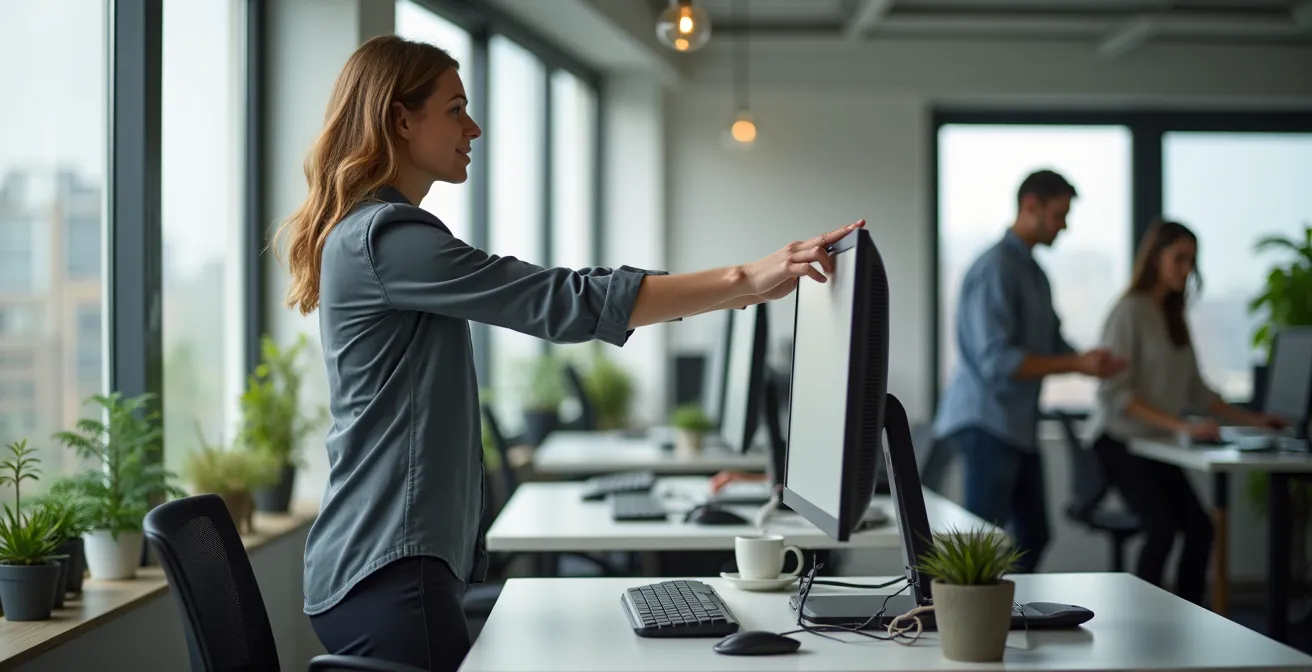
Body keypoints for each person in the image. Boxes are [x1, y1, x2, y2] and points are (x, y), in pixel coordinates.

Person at [273, 35, 864, 672]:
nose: (473, 127)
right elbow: (563, 302)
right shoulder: (386, 239)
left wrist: (740, 287)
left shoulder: (371, 236)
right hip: (389, 577)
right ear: (400, 117)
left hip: (383, 568)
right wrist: (746, 279)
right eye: (454, 109)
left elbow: (568, 299)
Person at [932, 169, 1126, 574]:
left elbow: (1052, 345)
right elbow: (998, 362)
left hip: (1016, 425)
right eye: (1059, 214)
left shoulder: (1034, 273)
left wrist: (1089, 362)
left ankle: (1004, 617)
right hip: (986, 421)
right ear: (1030, 206)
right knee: (978, 548)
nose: (1064, 226)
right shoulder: (996, 268)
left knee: (1034, 535)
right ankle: (953, 626)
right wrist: (1076, 364)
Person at [1085, 218, 1285, 606]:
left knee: (1199, 529)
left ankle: (1189, 619)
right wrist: (1181, 426)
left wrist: (1255, 420)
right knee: (1161, 529)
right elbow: (1117, 394)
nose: (1186, 269)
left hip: (1156, 443)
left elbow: (1198, 393)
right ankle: (1144, 622)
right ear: (1155, 258)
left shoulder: (1174, 316)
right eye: (1179, 258)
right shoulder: (1130, 311)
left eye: (1192, 260)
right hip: (1118, 441)